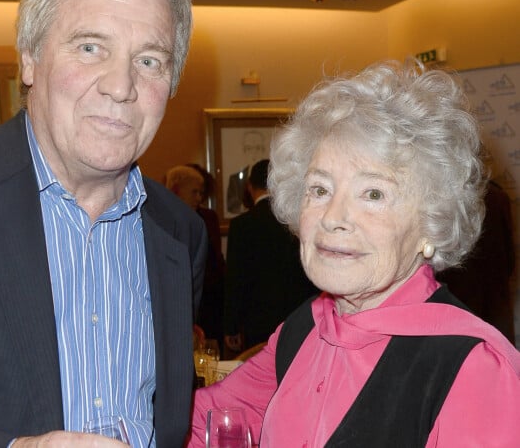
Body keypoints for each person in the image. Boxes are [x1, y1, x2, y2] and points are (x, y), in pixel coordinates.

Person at [0, 0, 208, 448]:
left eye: (149, 60)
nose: (121, 86)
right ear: (30, 60)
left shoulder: (180, 233)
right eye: (90, 47)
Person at [186, 60, 520, 447]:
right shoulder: (306, 328)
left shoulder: (472, 366)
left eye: (373, 194)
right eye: (320, 189)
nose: (334, 218)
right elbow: (203, 422)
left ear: (431, 222)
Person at [224, 159, 318, 355]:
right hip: (297, 315)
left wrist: (231, 325)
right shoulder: (297, 222)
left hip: (256, 317)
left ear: (250, 187)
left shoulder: (242, 225)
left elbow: (236, 278)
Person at [437, 179, 516, 343]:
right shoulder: (498, 196)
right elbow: (510, 262)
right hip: (495, 309)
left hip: (458, 309)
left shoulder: (438, 200)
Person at [165, 165, 226, 351]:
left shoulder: (207, 218)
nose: (199, 198)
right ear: (176, 190)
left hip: (209, 301)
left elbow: (216, 261)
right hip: (175, 305)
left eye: (201, 193)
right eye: (194, 192)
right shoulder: (159, 219)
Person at [226, 130, 267, 214]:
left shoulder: (275, 177)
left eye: (258, 148)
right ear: (244, 151)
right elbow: (231, 206)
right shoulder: (234, 179)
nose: (254, 153)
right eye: (249, 148)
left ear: (263, 150)